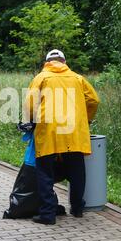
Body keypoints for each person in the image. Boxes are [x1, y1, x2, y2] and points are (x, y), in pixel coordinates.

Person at [23, 49, 100, 225]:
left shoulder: (41, 78)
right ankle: (78, 208)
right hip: (74, 132)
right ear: (64, 62)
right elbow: (94, 100)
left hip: (48, 130)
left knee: (44, 172)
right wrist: (86, 118)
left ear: (47, 62)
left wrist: (30, 121)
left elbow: (30, 103)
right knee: (77, 170)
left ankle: (48, 214)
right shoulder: (78, 79)